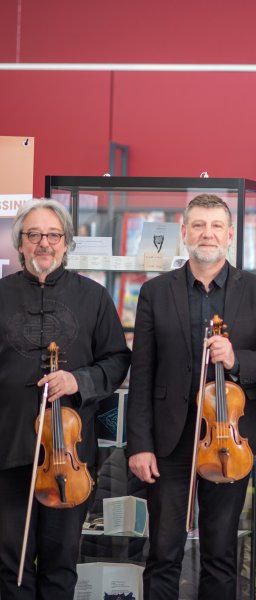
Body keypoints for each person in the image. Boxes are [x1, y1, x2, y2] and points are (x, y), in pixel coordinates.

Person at [126, 193, 256, 599]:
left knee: (220, 552)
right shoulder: (155, 292)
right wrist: (140, 445)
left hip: (229, 442)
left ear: (230, 234)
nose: (207, 233)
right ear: (183, 232)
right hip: (169, 441)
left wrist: (236, 359)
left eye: (216, 225)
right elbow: (142, 375)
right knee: (163, 551)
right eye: (198, 225)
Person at [0, 199, 131, 600]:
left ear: (67, 243)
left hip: (66, 455)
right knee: (9, 562)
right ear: (19, 243)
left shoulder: (93, 297)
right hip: (7, 449)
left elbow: (117, 361)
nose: (44, 243)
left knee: (60, 561)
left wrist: (78, 381)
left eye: (53, 235)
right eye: (34, 234)